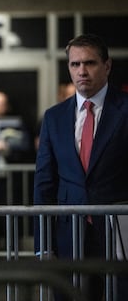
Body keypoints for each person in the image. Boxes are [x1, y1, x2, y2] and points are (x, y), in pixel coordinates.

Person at [34, 33, 128, 301]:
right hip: (68, 234)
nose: (82, 71)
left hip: (119, 231)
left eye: (90, 63)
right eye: (75, 64)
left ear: (107, 66)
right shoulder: (54, 117)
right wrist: (42, 245)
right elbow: (44, 183)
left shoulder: (125, 111)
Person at [0, 91, 31, 166]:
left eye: (1, 104)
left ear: (7, 106)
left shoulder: (16, 124)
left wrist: (7, 146)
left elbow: (25, 145)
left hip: (8, 170)